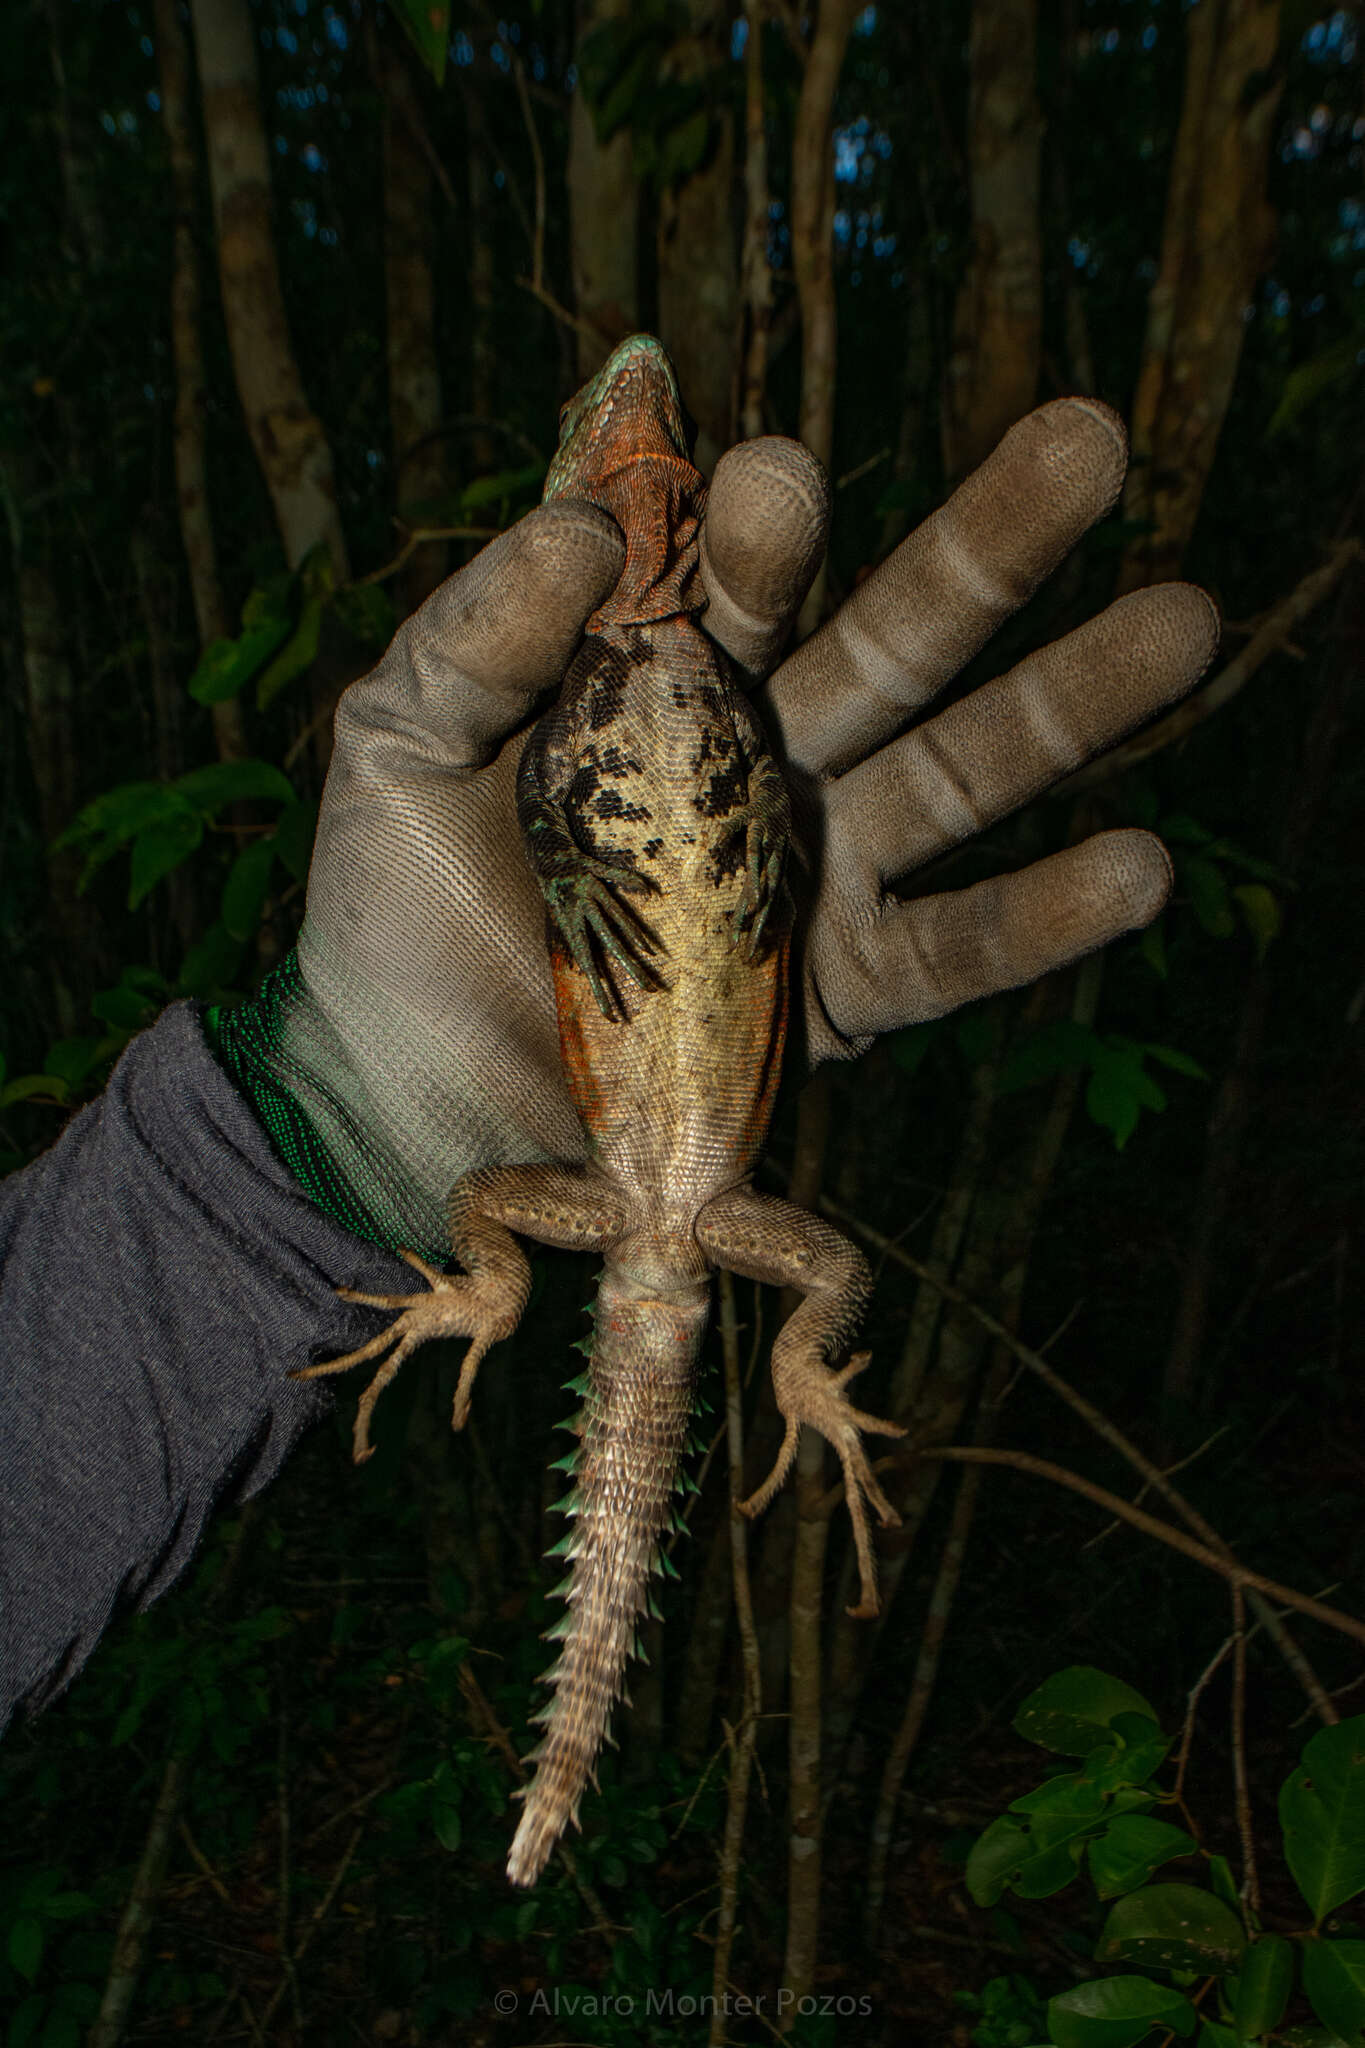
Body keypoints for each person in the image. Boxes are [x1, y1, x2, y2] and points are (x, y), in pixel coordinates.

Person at [0, 400, 1216, 1733]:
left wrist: (332, 1160)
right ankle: (527, 1372)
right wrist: (785, 1370)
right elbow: (836, 1265)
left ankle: (509, 1343)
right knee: (815, 1274)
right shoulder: (595, 653)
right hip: (668, 1194)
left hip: (633, 1182)